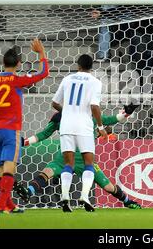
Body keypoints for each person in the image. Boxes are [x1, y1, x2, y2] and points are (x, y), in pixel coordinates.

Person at [13, 105, 142, 209]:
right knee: (46, 173)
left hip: (85, 160)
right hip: (63, 158)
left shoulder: (90, 116)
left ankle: (127, 201)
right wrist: (25, 142)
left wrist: (126, 113)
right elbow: (44, 134)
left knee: (108, 187)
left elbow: (111, 119)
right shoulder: (60, 117)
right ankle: (28, 192)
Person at [0, 39, 49, 213]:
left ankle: (8, 204)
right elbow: (44, 73)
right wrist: (41, 52)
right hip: (10, 130)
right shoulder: (17, 80)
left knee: (1, 168)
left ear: (3, 63)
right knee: (10, 167)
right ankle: (1, 203)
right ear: (19, 64)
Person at [52, 54, 106, 213]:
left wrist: (67, 111)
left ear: (78, 65)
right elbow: (95, 106)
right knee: (88, 163)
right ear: (92, 67)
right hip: (84, 126)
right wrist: (101, 126)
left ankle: (65, 197)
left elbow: (54, 103)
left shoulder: (67, 79)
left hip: (67, 125)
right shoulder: (96, 82)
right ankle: (84, 196)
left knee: (68, 163)